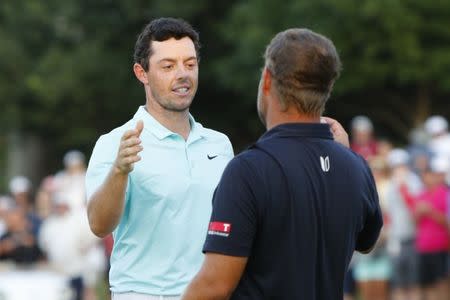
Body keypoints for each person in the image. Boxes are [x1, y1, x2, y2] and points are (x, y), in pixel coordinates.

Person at [182, 28, 383, 300]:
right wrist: (346, 162)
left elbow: (214, 285)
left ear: (267, 80)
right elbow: (367, 242)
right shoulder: (356, 167)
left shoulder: (249, 170)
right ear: (328, 88)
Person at [85, 18, 234, 299]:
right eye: (168, 66)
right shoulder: (115, 144)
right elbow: (98, 225)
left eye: (190, 64)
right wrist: (119, 170)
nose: (183, 74)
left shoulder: (220, 144)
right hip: (143, 293)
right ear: (142, 73)